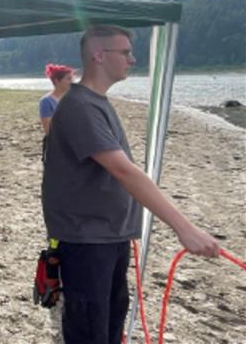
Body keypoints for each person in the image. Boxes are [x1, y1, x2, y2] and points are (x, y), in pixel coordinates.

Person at [42, 25, 220, 344]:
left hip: (109, 237)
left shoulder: (97, 102)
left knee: (110, 327)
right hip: (87, 242)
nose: (132, 59)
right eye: (125, 52)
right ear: (99, 55)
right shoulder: (80, 107)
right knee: (90, 331)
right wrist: (185, 228)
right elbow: (125, 172)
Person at [38, 63, 74, 134]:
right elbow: (48, 130)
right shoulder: (46, 101)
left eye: (72, 79)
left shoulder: (72, 98)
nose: (72, 82)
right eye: (68, 79)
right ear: (57, 80)